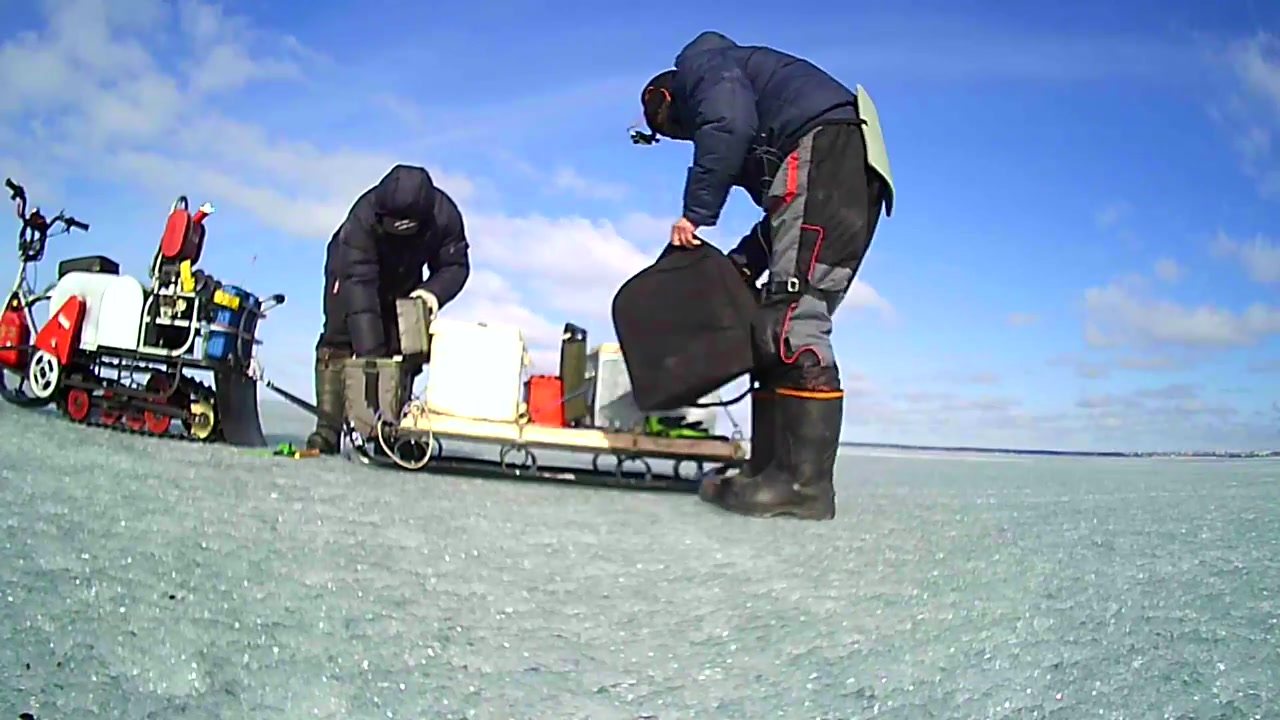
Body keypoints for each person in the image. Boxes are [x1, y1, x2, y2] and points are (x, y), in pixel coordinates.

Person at [632, 31, 895, 520]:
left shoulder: (705, 68)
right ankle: (770, 471)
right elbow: (789, 211)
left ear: (664, 98)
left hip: (830, 152)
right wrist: (745, 259)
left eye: (671, 128)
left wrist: (695, 215)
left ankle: (802, 486)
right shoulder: (763, 109)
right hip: (848, 169)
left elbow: (726, 125)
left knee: (795, 319)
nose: (682, 137)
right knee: (774, 317)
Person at [306, 163, 471, 454]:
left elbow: (455, 265)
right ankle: (328, 429)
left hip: (404, 276)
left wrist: (429, 295)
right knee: (341, 337)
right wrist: (371, 355)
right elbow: (361, 293)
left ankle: (390, 429)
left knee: (404, 342)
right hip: (349, 270)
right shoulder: (362, 218)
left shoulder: (444, 216)